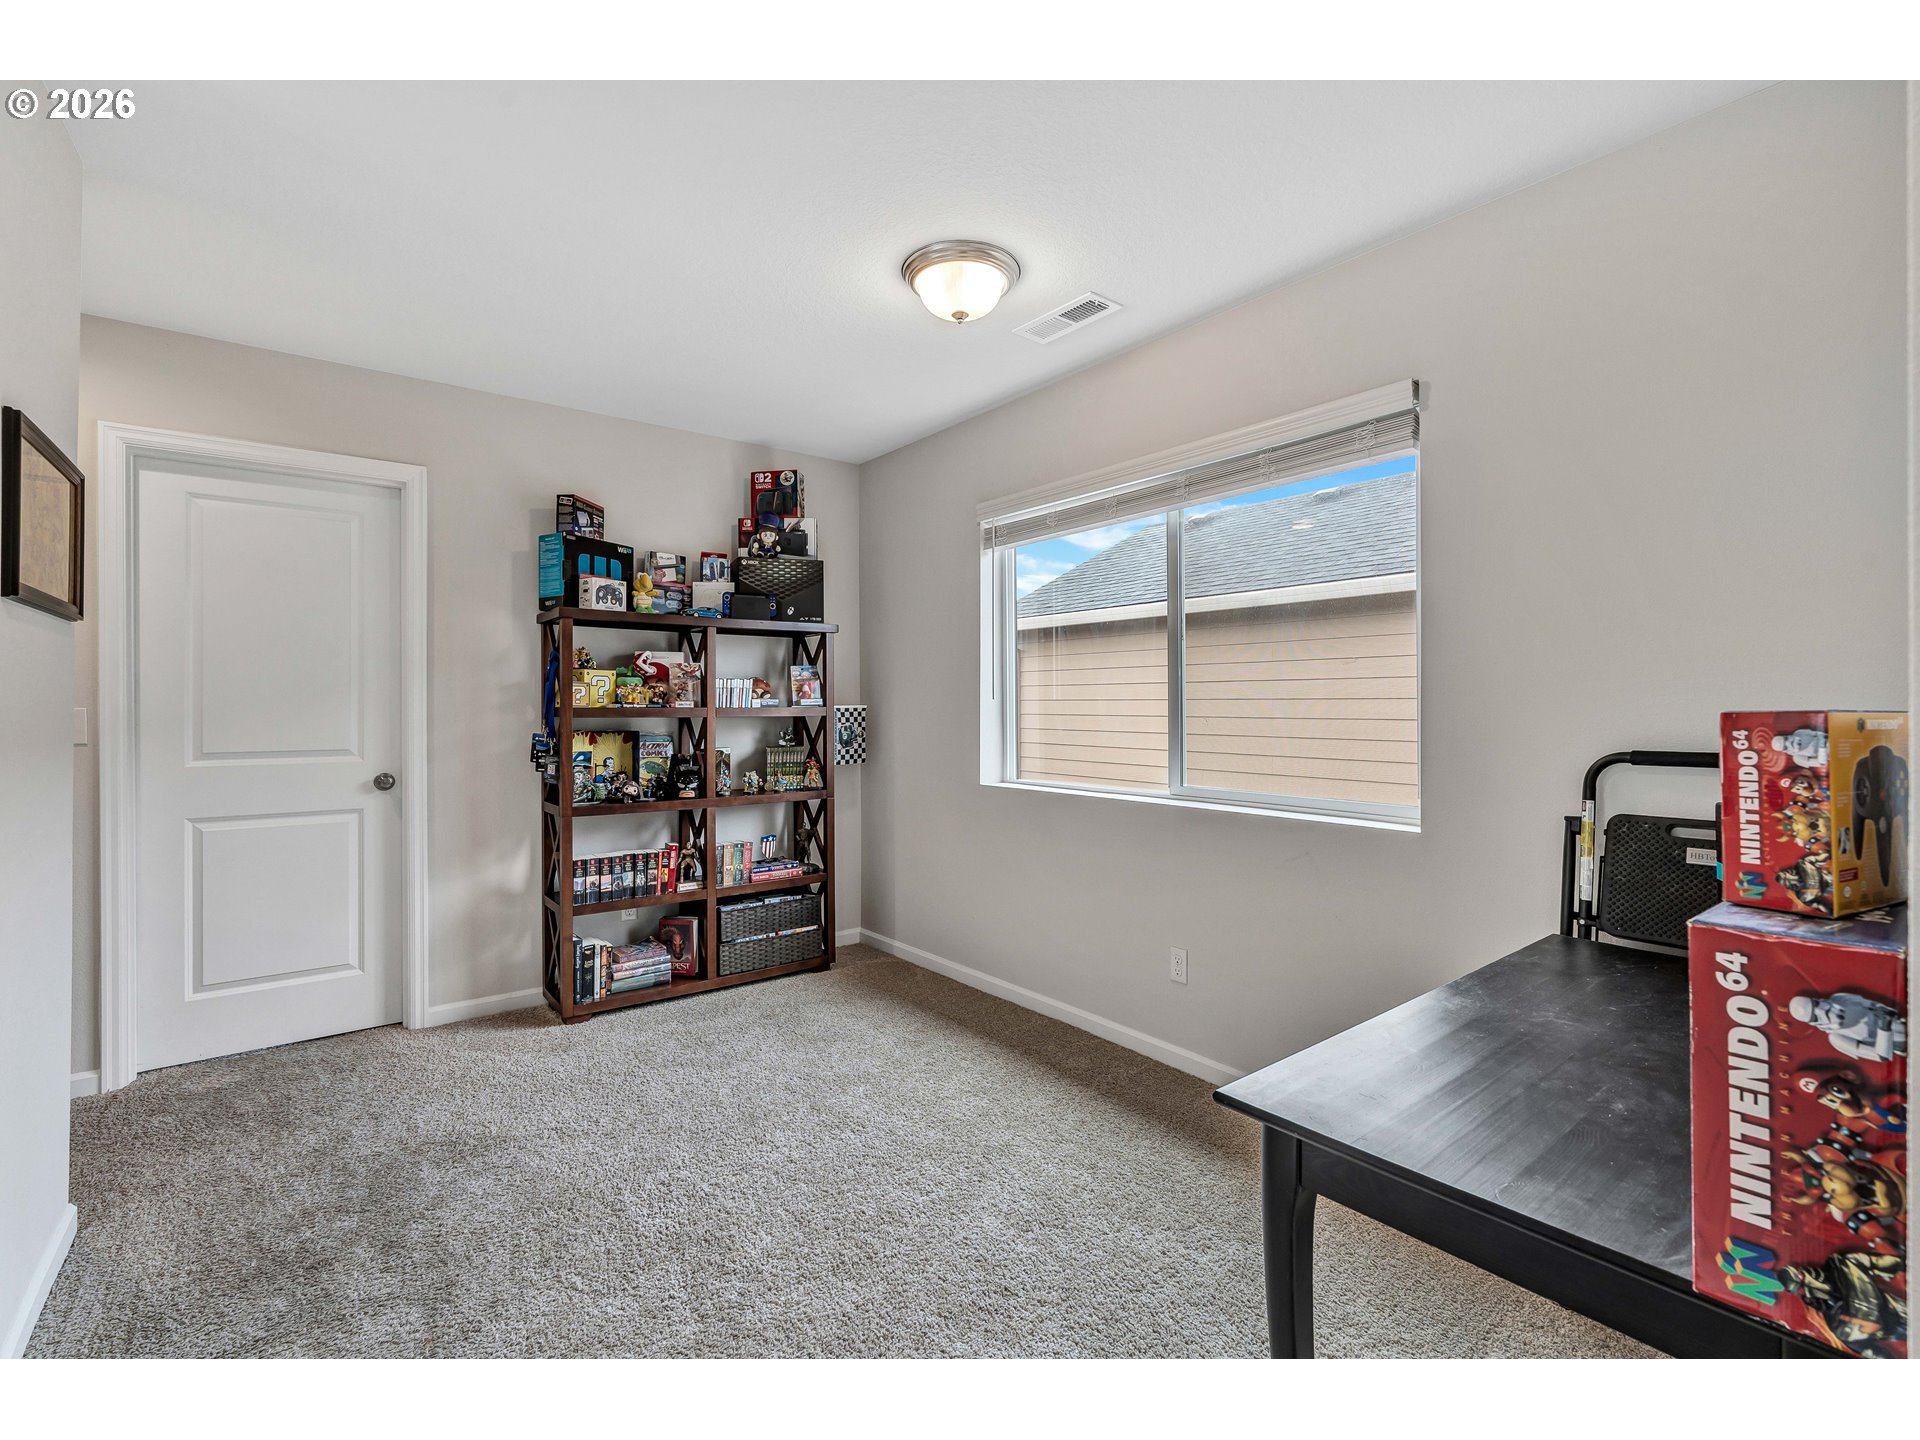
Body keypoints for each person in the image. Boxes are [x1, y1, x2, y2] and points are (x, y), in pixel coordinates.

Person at [1789, 991, 1907, 1061]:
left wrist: (1888, 1012)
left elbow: (1873, 1004)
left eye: (1816, 1004)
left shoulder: (1840, 998)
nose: (1821, 1010)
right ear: (1813, 1022)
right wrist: (1884, 1028)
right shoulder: (1837, 1038)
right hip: (1906, 1046)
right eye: (1815, 1015)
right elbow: (1882, 1056)